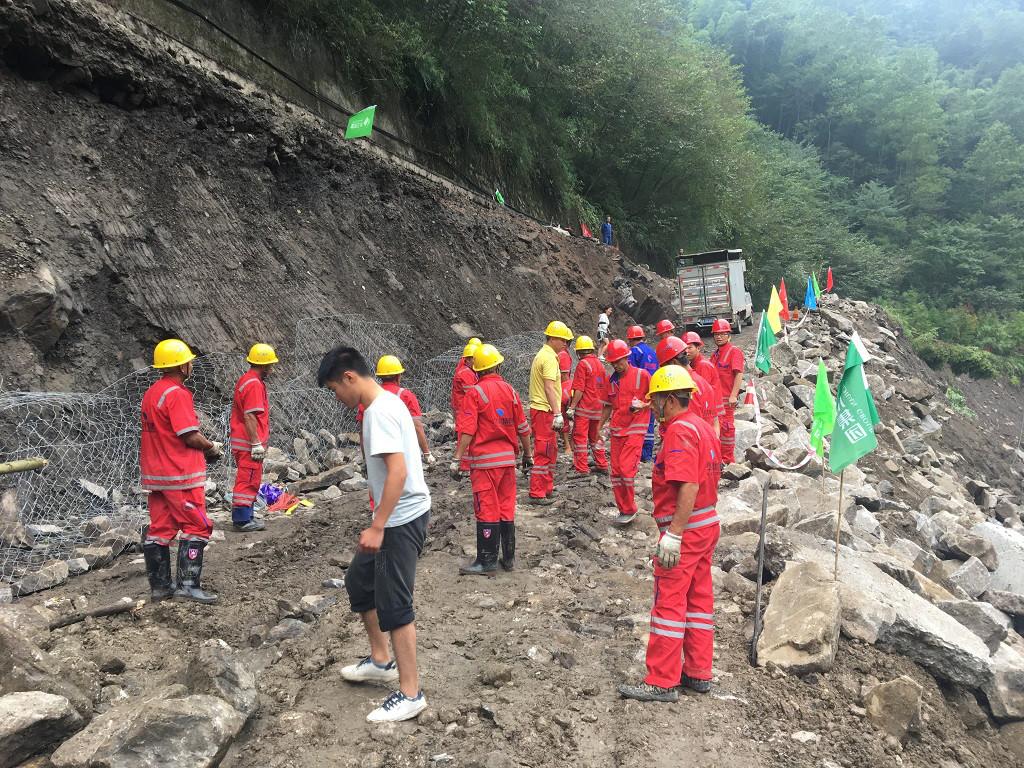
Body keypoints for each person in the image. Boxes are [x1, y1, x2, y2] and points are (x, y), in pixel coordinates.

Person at [318, 346, 431, 723]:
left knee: (395, 604)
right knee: (359, 581)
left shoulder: (379, 412)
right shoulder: (386, 402)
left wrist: (378, 525)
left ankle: (411, 694)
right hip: (396, 515)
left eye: (335, 388)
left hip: (400, 520)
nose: (337, 396)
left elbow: (398, 472)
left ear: (349, 377)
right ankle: (382, 661)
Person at [619, 366, 721, 703]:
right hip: (706, 525)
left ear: (671, 400)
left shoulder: (679, 431)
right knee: (699, 600)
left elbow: (688, 483)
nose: (652, 406)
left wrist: (674, 534)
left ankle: (662, 681)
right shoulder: (702, 427)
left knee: (669, 603)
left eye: (656, 400)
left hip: (687, 532)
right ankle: (698, 672)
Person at [140, 339, 223, 604]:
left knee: (160, 528)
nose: (191, 365)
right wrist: (210, 447)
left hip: (157, 476)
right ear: (181, 366)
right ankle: (188, 586)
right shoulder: (177, 394)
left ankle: (161, 587)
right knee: (197, 526)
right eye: (188, 362)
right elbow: (189, 435)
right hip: (180, 474)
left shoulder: (152, 393)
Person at [450, 344, 532, 576]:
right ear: (497, 366)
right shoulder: (510, 391)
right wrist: (527, 454)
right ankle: (509, 559)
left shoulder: (475, 393)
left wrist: (457, 458)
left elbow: (467, 429)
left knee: (486, 508)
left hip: (485, 463)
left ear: (477, 370)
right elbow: (523, 427)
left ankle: (486, 563)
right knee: (506, 507)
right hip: (507, 462)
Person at [597, 339, 651, 525]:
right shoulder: (611, 381)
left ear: (627, 358)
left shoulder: (642, 375)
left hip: (636, 428)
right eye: (612, 362)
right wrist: (600, 426)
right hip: (617, 430)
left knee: (626, 470)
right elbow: (607, 406)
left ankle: (630, 508)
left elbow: (657, 397)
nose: (616, 365)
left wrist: (645, 405)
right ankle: (625, 509)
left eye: (618, 361)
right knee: (616, 472)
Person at [228, 344, 276, 533]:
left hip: (245, 441)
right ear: (264, 365)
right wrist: (256, 443)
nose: (271, 369)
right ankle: (241, 520)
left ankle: (247, 516)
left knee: (251, 479)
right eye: (270, 365)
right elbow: (250, 415)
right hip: (248, 443)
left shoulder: (248, 380)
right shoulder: (254, 384)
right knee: (247, 479)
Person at [528, 321, 573, 505]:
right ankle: (537, 492)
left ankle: (546, 487)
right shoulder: (548, 358)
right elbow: (549, 388)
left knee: (551, 450)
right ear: (553, 338)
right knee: (543, 450)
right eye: (562, 340)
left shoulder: (546, 355)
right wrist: (557, 413)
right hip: (544, 411)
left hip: (544, 410)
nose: (564, 344)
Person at [375, 355, 436, 466]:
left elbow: (363, 431)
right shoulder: (406, 396)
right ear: (398, 376)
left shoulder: (370, 397)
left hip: (377, 452)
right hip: (402, 453)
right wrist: (427, 453)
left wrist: (365, 459)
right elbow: (417, 426)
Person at [654, 336, 720, 438]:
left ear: (674, 363)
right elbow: (715, 421)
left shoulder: (684, 387)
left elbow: (685, 429)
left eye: (664, 367)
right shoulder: (702, 382)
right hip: (707, 440)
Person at [566, 335, 608, 476]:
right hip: (598, 408)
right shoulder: (600, 364)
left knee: (580, 438)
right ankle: (602, 464)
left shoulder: (583, 365)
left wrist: (572, 407)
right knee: (595, 437)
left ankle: (582, 468)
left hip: (585, 408)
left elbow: (579, 389)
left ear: (579, 352)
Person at [709, 320, 744, 465]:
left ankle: (728, 461)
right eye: (716, 334)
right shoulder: (715, 354)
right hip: (715, 400)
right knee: (716, 429)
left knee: (727, 430)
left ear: (729, 335)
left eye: (722, 334)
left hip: (726, 400)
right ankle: (718, 459)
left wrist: (733, 395)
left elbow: (738, 374)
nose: (719, 337)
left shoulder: (734, 352)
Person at [626, 325, 658, 462]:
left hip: (639, 391)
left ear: (630, 339)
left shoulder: (634, 351)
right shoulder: (651, 351)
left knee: (638, 421)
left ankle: (637, 452)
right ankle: (647, 453)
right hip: (652, 390)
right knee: (649, 420)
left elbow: (630, 372)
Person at [452, 341, 480, 472]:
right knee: (465, 433)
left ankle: (467, 462)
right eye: (474, 359)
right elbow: (472, 393)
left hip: (464, 407)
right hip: (464, 408)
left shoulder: (468, 370)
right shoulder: (466, 373)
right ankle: (464, 465)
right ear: (467, 359)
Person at [558, 348, 574, 454]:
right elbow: (564, 375)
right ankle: (569, 444)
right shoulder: (563, 355)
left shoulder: (561, 353)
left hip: (565, 392)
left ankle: (571, 444)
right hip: (564, 393)